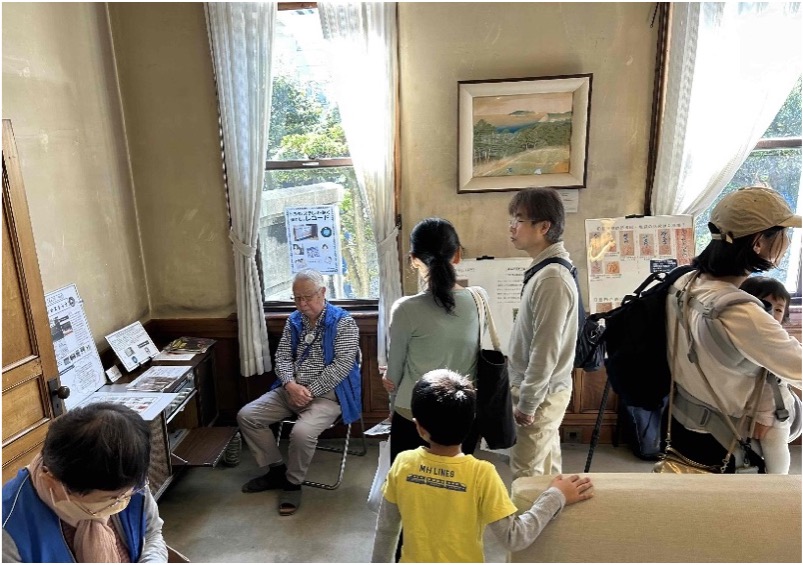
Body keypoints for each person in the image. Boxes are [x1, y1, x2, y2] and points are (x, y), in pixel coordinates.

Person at [371, 370, 594, 563]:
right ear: (472, 423)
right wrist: (556, 495)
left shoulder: (403, 463)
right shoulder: (481, 474)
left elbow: (386, 530)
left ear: (419, 427)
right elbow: (515, 538)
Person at [666, 186, 802, 473]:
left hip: (683, 424)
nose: (787, 241)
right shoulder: (743, 313)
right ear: (758, 243)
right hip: (728, 443)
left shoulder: (683, 283)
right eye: (783, 233)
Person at [237, 269, 360, 515]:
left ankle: (293, 483)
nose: (302, 304)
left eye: (308, 297)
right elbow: (282, 356)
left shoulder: (344, 322)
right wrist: (290, 385)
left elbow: (342, 366)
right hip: (290, 389)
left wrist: (309, 391)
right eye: (297, 298)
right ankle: (276, 471)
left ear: (323, 292)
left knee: (301, 433)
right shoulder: (294, 320)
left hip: (328, 395)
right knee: (247, 416)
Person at [2, 403, 167, 563]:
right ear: (53, 483)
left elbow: (151, 533)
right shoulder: (9, 527)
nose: (123, 501)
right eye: (111, 499)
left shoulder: (127, 476)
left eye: (127, 494)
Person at [382, 217, 484, 462]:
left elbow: (394, 375)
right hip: (462, 412)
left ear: (414, 259)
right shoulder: (479, 299)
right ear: (457, 255)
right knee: (458, 479)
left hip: (413, 411)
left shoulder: (405, 309)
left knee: (409, 479)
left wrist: (391, 398)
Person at [507, 187, 579, 479]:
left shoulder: (552, 278)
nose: (512, 227)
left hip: (542, 394)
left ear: (544, 227)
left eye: (519, 219)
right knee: (546, 468)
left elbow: (545, 348)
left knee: (526, 474)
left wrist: (528, 402)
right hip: (543, 390)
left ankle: (531, 512)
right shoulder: (545, 270)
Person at [738, 275, 800, 473]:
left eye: (779, 309)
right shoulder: (743, 334)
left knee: (773, 442)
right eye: (763, 305)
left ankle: (779, 481)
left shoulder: (775, 343)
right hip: (747, 407)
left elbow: (772, 387)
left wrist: (764, 418)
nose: (772, 313)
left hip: (775, 410)